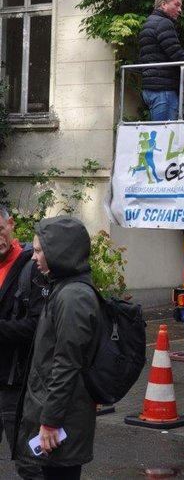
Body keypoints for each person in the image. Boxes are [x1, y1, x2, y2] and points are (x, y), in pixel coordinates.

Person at [14, 216, 101, 480]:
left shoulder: (73, 296)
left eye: (39, 251)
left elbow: (66, 363)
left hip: (60, 422)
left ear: (59, 252)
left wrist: (50, 421)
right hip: (55, 415)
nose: (33, 257)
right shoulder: (64, 289)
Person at [0, 205, 44, 480]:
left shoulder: (31, 267)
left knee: (29, 462)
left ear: (11, 224)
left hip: (16, 384)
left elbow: (39, 326)